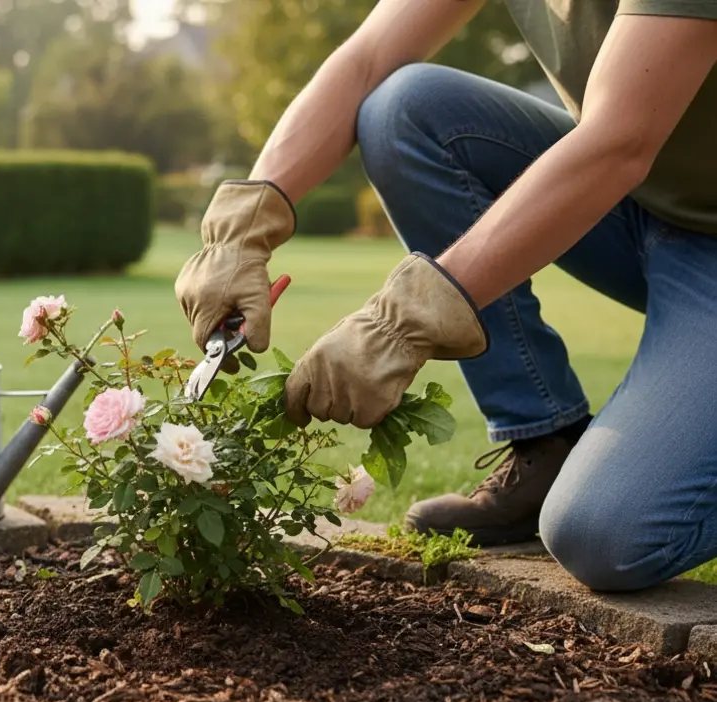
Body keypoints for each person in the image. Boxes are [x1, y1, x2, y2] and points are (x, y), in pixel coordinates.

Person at [175, 0, 717, 592]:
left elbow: (620, 141)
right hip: (648, 208)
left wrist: (402, 320)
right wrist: (239, 230)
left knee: (603, 534)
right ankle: (546, 442)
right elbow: (367, 59)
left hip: (656, 198)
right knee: (402, 108)